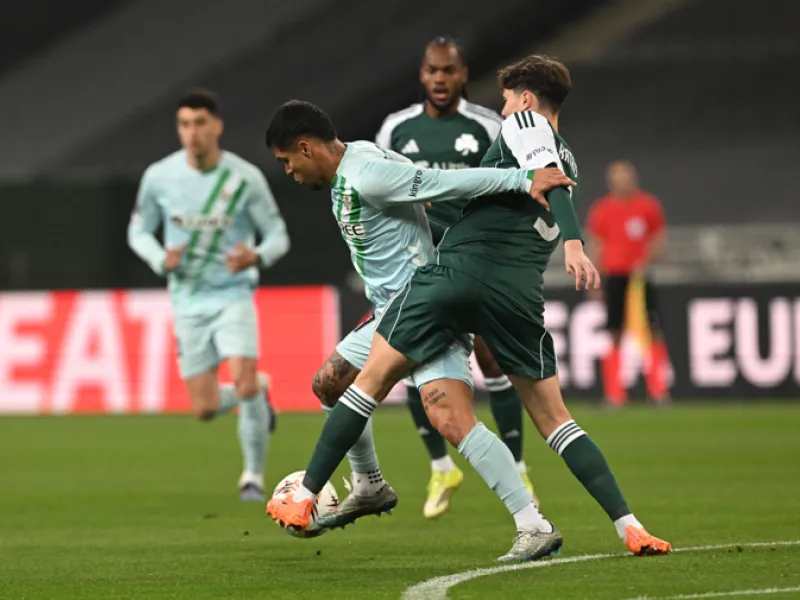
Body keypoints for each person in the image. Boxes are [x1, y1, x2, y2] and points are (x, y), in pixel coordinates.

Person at [273, 55, 672, 560]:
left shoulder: (525, 125)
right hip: (517, 295)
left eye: (506, 100)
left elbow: (536, 176)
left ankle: (309, 493)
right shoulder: (568, 158)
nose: (502, 111)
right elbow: (512, 188)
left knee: (375, 387)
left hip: (451, 283)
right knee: (549, 420)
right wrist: (437, 194)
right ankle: (627, 525)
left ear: (526, 99)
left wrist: (574, 243)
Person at [262, 99, 572, 560]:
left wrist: (522, 179)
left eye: (287, 161)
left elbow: (443, 183)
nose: (288, 171)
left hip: (426, 309)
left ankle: (533, 524)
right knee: (329, 383)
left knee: (450, 419)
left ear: (306, 148)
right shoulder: (360, 159)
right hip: (391, 311)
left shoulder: (366, 173)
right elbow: (417, 185)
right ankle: (369, 485)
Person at [375, 36, 535, 518]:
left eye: (448, 70)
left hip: (472, 259)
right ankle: (441, 467)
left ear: (463, 74)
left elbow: (514, 185)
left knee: (491, 359)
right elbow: (378, 186)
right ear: (422, 75)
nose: (440, 79)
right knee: (406, 358)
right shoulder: (396, 129)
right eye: (432, 70)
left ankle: (519, 466)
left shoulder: (487, 126)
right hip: (417, 262)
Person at [127, 89, 289, 501]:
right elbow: (138, 230)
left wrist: (256, 256)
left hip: (234, 294)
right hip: (188, 300)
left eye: (200, 123)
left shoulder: (244, 178)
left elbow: (278, 235)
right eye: (185, 124)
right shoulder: (159, 177)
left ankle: (252, 478)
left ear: (217, 126)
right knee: (204, 408)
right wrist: (160, 258)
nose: (192, 132)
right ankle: (259, 391)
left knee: (242, 381)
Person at [586, 161, 669, 406]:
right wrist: (595, 279)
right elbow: (596, 244)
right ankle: (615, 394)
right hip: (614, 276)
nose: (622, 183)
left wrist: (646, 259)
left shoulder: (648, 205)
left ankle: (658, 391)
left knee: (651, 330)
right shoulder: (602, 209)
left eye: (626, 178)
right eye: (618, 179)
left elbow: (658, 238)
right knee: (614, 332)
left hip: (639, 277)